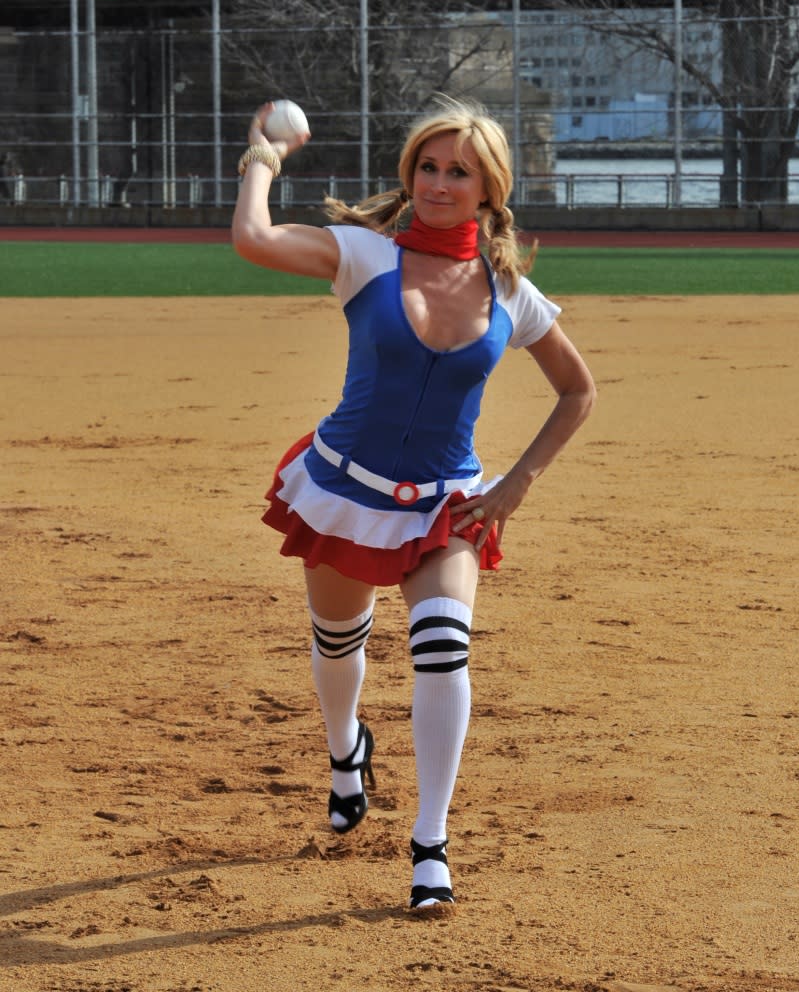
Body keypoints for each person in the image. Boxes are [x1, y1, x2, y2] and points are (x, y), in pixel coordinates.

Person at [231, 95, 596, 913]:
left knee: (442, 649)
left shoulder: (510, 292)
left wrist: (513, 487)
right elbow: (253, 240)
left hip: (447, 506)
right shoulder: (363, 254)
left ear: (488, 189)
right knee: (337, 647)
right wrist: (263, 158)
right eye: (426, 167)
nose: (437, 183)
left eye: (456, 171)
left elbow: (578, 390)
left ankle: (429, 841)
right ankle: (343, 749)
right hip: (344, 493)